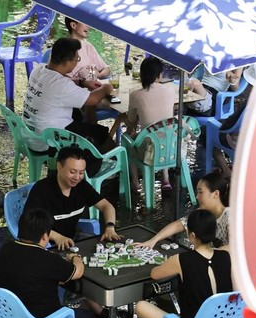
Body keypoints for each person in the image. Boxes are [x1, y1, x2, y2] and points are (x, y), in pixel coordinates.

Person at [0, 208, 97, 318]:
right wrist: (76, 258)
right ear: (45, 236)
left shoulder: (5, 250)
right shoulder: (48, 260)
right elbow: (77, 272)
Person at [135, 209, 234, 318]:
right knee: (191, 311)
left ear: (192, 236)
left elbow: (155, 274)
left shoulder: (182, 259)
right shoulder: (226, 257)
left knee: (141, 307)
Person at [22, 37, 114, 154]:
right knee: (101, 133)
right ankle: (112, 162)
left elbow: (60, 86)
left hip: (31, 133)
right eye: (77, 59)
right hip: (48, 141)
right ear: (66, 63)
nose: (77, 62)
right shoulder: (62, 85)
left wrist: (82, 82)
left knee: (77, 113)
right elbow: (93, 99)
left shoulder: (38, 69)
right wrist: (106, 88)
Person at [22, 146, 121, 250]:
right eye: (72, 172)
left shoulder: (81, 186)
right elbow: (30, 224)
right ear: (59, 166)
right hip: (46, 243)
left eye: (81, 172)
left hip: (72, 238)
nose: (77, 177)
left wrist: (110, 227)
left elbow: (106, 206)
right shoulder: (42, 189)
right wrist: (57, 237)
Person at [135, 171, 231, 249]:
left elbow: (235, 249)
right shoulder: (202, 213)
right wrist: (153, 240)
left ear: (216, 194)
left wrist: (208, 255)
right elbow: (179, 225)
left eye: (201, 192)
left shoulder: (230, 217)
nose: (197, 196)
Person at [125, 57, 176, 191]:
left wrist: (131, 128)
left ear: (141, 75)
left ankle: (135, 183)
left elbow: (130, 123)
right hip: (172, 148)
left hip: (149, 151)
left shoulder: (135, 95)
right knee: (164, 133)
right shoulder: (171, 89)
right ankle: (166, 179)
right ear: (160, 75)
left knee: (127, 140)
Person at [64, 17, 111, 89]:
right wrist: (84, 80)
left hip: (92, 88)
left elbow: (106, 69)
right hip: (73, 91)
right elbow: (59, 78)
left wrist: (99, 75)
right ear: (73, 25)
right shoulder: (62, 48)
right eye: (85, 23)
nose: (89, 27)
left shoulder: (88, 47)